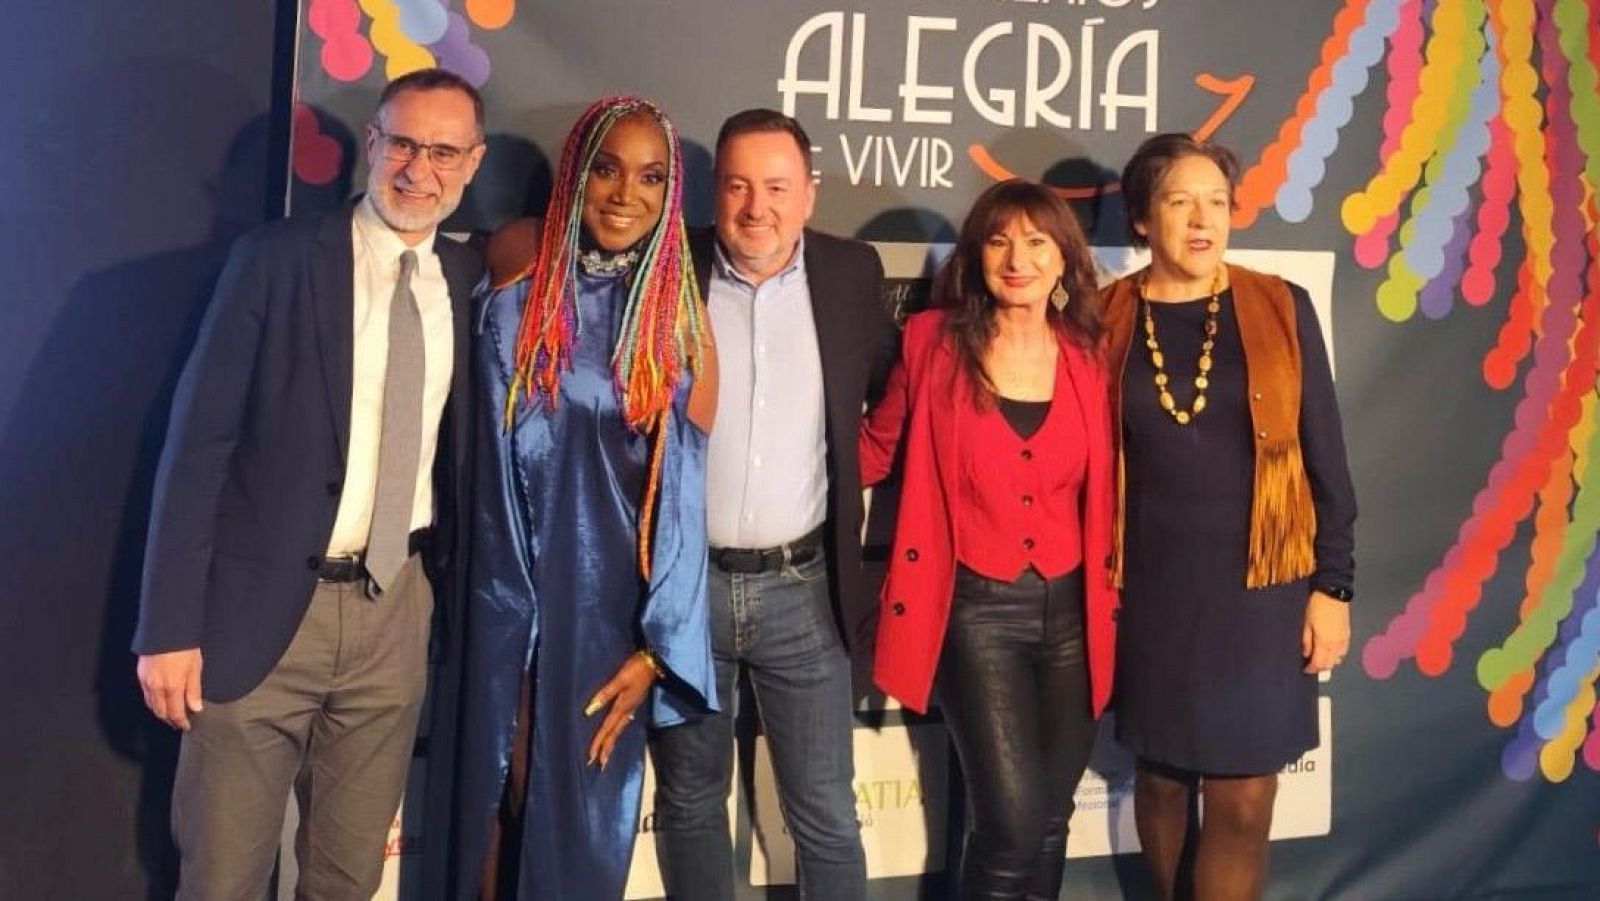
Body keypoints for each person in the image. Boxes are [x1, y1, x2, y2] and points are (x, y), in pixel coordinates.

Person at [132, 68, 486, 899]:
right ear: (371, 144)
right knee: (222, 878)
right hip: (256, 619)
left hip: (394, 614)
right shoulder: (275, 261)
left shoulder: (470, 286)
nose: (416, 169)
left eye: (441, 152)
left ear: (469, 165)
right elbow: (196, 448)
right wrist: (169, 625)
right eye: (401, 143)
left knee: (347, 878)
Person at [446, 95, 717, 901]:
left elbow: (682, 510)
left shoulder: (679, 328)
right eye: (605, 168)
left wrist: (655, 650)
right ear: (575, 173)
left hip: (603, 625)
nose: (623, 193)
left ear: (671, 196)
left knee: (569, 840)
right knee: (488, 819)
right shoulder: (515, 272)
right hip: (492, 604)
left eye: (650, 177)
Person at [647, 108, 896, 901]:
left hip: (805, 590)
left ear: (810, 195)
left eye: (778, 187)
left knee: (824, 812)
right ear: (713, 192)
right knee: (689, 800)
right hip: (683, 591)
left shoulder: (853, 274)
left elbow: (893, 390)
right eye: (739, 186)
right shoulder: (666, 268)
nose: (759, 207)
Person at [1103, 132, 1357, 901]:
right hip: (1150, 589)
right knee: (1162, 782)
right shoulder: (1104, 315)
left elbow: (1328, 460)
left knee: (1244, 799)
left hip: (1265, 588)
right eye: (1180, 201)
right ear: (1145, 219)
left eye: (1217, 201)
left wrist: (1333, 587)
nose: (1202, 218)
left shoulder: (1281, 305)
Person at [861, 180, 1118, 900]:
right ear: (977, 256)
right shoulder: (930, 344)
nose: (1018, 257)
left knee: (1049, 821)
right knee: (1009, 825)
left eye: (1037, 241)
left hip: (1073, 615)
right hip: (973, 613)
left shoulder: (1090, 355)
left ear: (1064, 259)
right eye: (1000, 239)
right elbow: (872, 449)